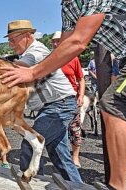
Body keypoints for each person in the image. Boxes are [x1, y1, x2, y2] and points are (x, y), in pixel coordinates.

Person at [0, 0, 126, 190]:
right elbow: (65, 50)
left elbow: (79, 42)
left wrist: (32, 73)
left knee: (114, 106)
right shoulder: (68, 7)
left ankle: (118, 187)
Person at [5, 20, 82, 182]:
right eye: (9, 40)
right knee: (60, 155)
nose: (11, 44)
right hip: (56, 105)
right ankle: (77, 185)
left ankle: (29, 183)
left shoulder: (37, 51)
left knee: (30, 143)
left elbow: (20, 66)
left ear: (27, 36)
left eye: (13, 39)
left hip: (59, 105)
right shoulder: (27, 53)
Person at [51, 31, 85, 168]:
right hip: (55, 99)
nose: (55, 43)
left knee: (75, 129)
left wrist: (81, 95)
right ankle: (62, 159)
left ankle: (75, 157)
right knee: (59, 130)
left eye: (58, 40)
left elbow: (81, 79)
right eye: (53, 41)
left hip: (71, 98)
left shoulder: (73, 58)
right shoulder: (49, 58)